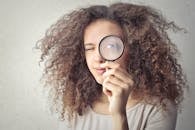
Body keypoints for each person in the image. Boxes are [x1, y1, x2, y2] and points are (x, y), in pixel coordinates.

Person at [36, 2, 188, 130]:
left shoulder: (159, 109)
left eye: (111, 46)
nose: (99, 57)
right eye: (89, 48)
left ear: (135, 51)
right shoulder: (78, 107)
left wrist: (119, 114)